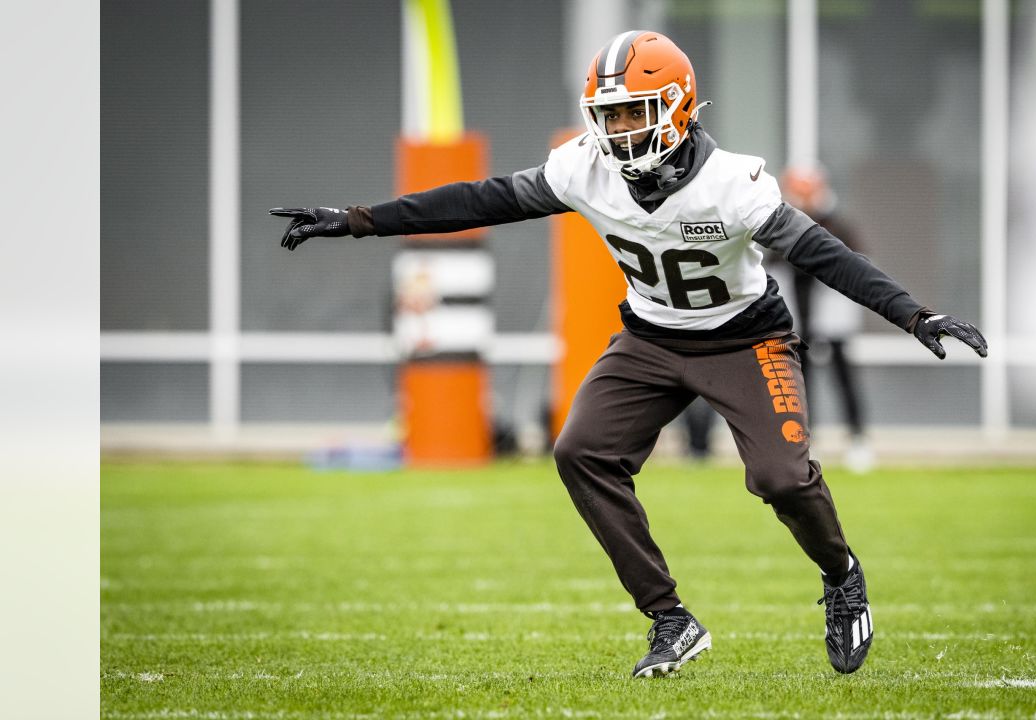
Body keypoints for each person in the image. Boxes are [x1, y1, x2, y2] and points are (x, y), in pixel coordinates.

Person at [270, 30, 987, 678]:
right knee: (580, 451)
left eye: (632, 112)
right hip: (649, 338)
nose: (616, 129)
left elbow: (826, 255)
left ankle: (841, 575)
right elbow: (478, 200)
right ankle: (671, 620)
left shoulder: (732, 185)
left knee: (782, 479)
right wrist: (359, 220)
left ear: (677, 108)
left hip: (744, 338)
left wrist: (913, 313)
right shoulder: (586, 169)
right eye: (607, 115)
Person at [772, 166, 875, 472]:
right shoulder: (779, 222)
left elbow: (857, 263)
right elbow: (772, 264)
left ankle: (858, 439)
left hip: (832, 316)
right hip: (797, 320)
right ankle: (805, 440)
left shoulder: (838, 225)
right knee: (801, 382)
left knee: (844, 377)